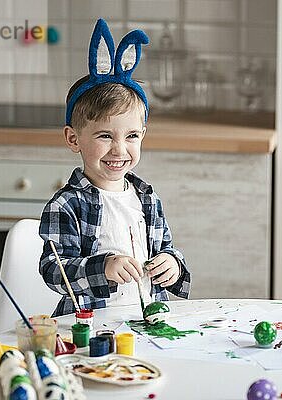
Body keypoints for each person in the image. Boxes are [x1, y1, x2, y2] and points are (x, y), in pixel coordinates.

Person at [38, 19, 190, 317]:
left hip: (147, 321)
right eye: (105, 135)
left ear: (142, 135)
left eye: (131, 136)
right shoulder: (67, 204)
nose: (119, 149)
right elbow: (53, 271)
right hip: (92, 327)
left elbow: (166, 249)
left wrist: (172, 264)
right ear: (74, 138)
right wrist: (103, 267)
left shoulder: (146, 197)